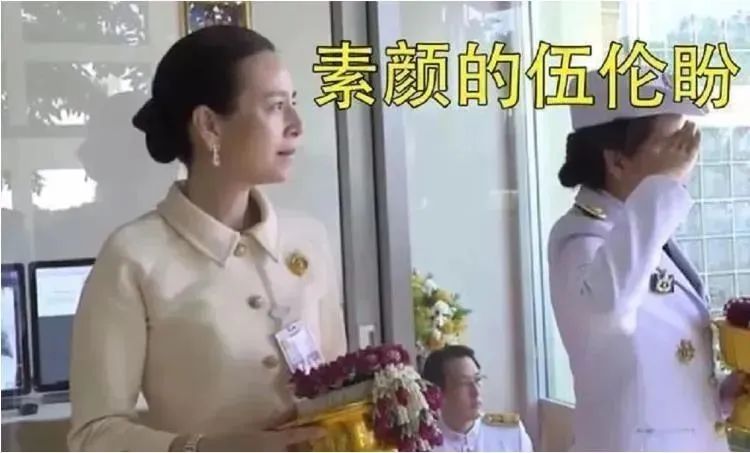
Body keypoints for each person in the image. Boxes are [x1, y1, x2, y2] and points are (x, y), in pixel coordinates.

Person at [67, 25, 347, 452]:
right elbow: (94, 435)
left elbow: (341, 390)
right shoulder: (133, 257)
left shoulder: (309, 238)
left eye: (293, 103)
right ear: (209, 125)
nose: (296, 125)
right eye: (275, 107)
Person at [547, 68, 745, 451]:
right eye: (672, 144)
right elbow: (608, 309)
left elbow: (643, 373)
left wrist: (718, 397)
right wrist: (662, 188)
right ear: (617, 161)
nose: (687, 157)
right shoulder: (580, 240)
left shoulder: (641, 232)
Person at [421, 345, 533, 452]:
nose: (476, 392)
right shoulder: (423, 443)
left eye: (478, 379)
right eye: (464, 384)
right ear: (437, 394)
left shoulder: (510, 433)